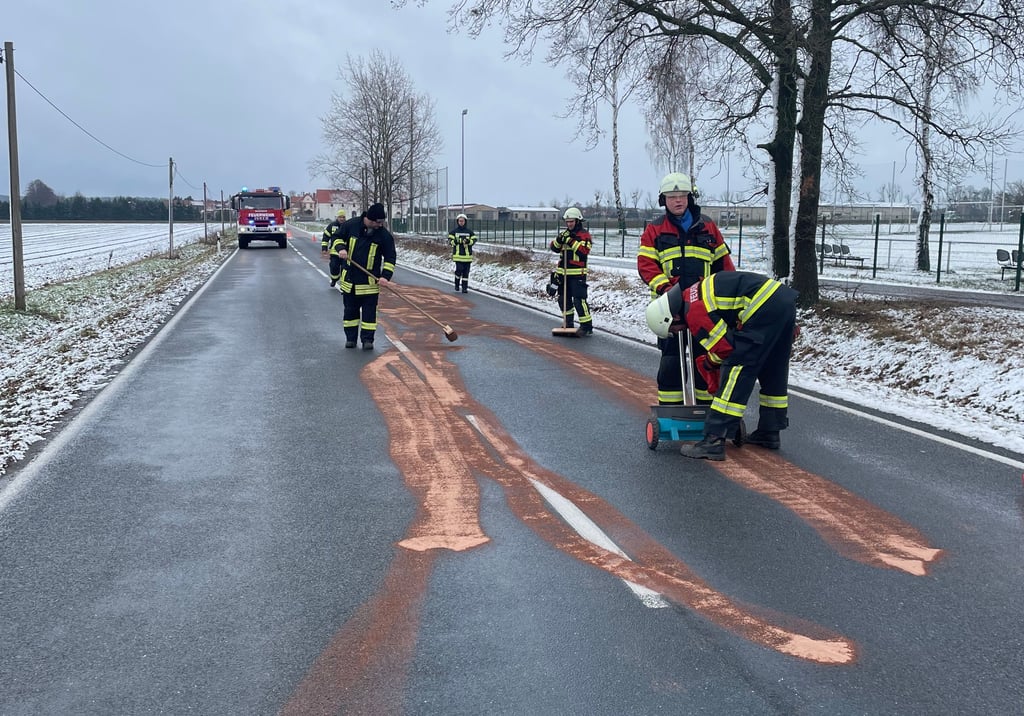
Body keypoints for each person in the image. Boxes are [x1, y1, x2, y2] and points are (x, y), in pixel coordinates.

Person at [645, 270, 798, 461]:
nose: (678, 332)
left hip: (762, 307)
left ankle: (714, 440)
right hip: (781, 301)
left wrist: (709, 362)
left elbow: (726, 349)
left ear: (673, 317)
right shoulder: (694, 294)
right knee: (773, 367)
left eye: (673, 330)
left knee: (737, 367)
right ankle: (769, 431)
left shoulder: (694, 312)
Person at [638, 172, 734, 405]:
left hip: (705, 308)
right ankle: (671, 412)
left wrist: (728, 299)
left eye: (682, 195)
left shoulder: (708, 227)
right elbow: (646, 265)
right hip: (670, 310)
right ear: (664, 200)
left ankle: (707, 411)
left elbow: (724, 266)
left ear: (690, 197)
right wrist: (667, 292)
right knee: (671, 362)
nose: (678, 201)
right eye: (672, 197)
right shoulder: (654, 230)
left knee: (706, 361)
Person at [330, 203, 397, 350]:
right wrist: (341, 248)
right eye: (378, 222)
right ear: (370, 219)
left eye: (382, 222)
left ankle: (367, 340)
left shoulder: (384, 235)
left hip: (369, 283)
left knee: (369, 315)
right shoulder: (351, 225)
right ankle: (350, 339)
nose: (380, 225)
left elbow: (390, 257)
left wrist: (385, 276)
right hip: (350, 282)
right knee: (350, 313)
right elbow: (336, 237)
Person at [550, 207, 594, 336]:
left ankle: (586, 326)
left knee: (579, 301)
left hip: (577, 274)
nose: (569, 224)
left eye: (571, 221)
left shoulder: (584, 235)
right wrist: (559, 240)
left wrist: (570, 240)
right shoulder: (564, 234)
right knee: (563, 300)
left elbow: (583, 251)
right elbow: (554, 248)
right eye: (567, 222)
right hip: (563, 274)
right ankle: (568, 324)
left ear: (578, 221)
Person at [447, 213, 477, 293]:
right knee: (459, 270)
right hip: (458, 256)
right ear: (457, 221)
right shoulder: (453, 232)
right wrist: (458, 241)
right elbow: (450, 242)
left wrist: (468, 241)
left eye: (462, 221)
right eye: (460, 221)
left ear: (465, 221)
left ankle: (464, 288)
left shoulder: (469, 232)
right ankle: (457, 284)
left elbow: (474, 240)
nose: (461, 222)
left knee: (466, 273)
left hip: (468, 256)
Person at [321, 209, 347, 288]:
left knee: (345, 269)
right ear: (337, 217)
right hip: (334, 252)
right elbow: (326, 236)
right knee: (334, 266)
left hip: (345, 253)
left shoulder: (348, 226)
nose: (342, 219)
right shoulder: (332, 226)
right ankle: (334, 279)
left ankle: (343, 284)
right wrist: (324, 248)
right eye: (340, 217)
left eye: (343, 217)